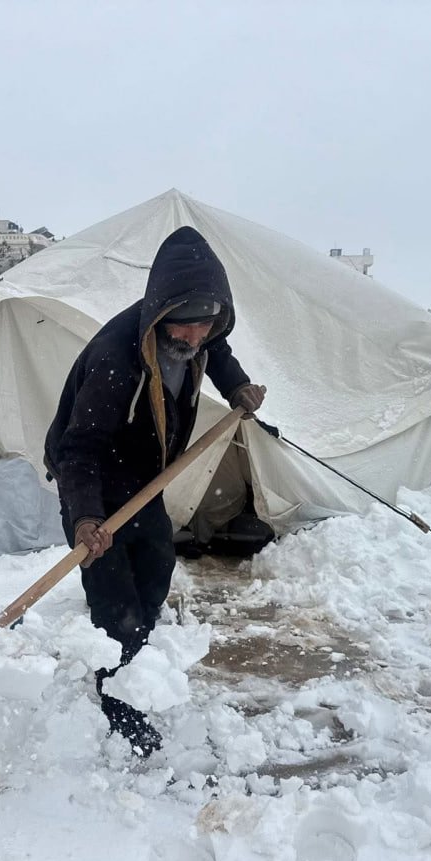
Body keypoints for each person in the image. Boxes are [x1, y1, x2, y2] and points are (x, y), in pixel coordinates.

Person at [44, 226, 266, 757]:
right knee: (114, 596)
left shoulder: (200, 332)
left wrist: (236, 386)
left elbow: (220, 347)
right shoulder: (115, 359)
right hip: (96, 483)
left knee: (155, 571)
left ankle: (137, 662)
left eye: (203, 330)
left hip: (147, 480)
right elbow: (79, 452)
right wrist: (85, 520)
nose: (194, 341)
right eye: (184, 331)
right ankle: (119, 706)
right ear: (161, 313)